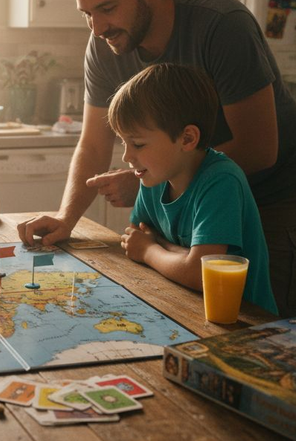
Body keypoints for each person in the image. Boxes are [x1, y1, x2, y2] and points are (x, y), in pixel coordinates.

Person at [17, 0, 296, 317]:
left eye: (107, 8)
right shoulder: (104, 46)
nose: (97, 28)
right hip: (187, 198)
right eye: (86, 14)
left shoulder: (220, 26)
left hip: (272, 200)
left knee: (269, 341)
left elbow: (260, 148)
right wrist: (66, 218)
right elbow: (94, 145)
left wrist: (153, 174)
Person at [113, 64, 276, 315]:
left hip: (244, 323)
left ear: (188, 139)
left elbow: (199, 274)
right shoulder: (153, 178)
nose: (126, 156)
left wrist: (150, 251)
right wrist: (183, 257)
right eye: (124, 142)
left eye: (137, 144)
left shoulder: (221, 181)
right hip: (187, 308)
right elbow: (135, 238)